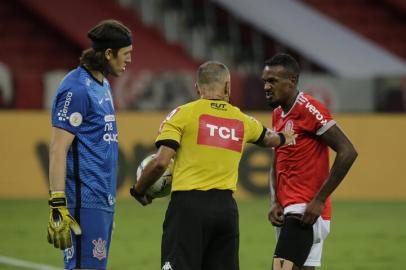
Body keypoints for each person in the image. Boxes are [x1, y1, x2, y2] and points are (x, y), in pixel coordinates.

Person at [130, 60, 296, 270]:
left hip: (188, 209)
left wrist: (139, 190)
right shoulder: (242, 120)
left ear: (197, 87)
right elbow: (270, 139)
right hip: (225, 210)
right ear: (228, 86)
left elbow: (160, 162)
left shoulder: (182, 114)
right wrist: (285, 137)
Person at [47, 19, 132, 270]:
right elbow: (57, 148)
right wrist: (58, 203)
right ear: (108, 53)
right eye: (126, 54)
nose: (129, 60)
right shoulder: (76, 89)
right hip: (82, 202)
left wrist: (106, 205)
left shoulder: (103, 85)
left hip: (100, 201)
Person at [262, 53, 358, 270]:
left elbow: (348, 151)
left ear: (292, 81)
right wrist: (274, 200)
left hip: (304, 210)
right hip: (289, 211)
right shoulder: (278, 113)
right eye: (265, 81)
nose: (266, 87)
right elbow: (277, 158)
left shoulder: (309, 109)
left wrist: (320, 199)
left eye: (273, 81)